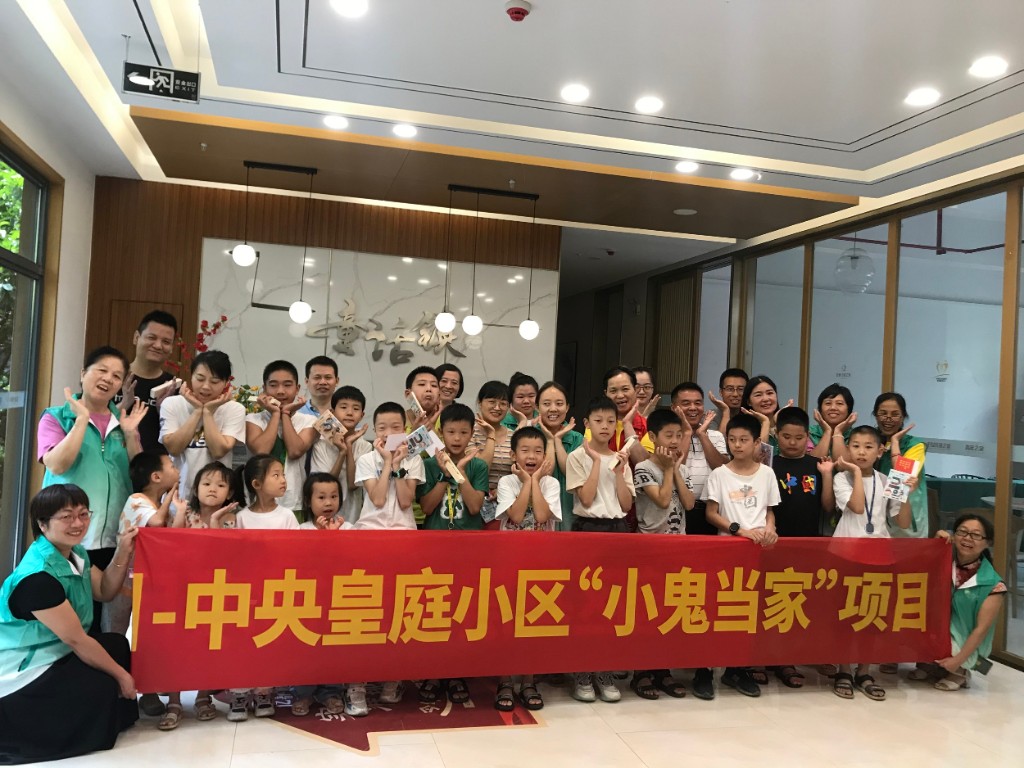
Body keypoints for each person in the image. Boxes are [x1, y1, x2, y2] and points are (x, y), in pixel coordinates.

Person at [0, 485, 139, 764]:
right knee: (103, 684)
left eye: (83, 514)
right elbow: (77, 640)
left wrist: (123, 551)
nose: (78, 523)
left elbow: (104, 591)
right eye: (66, 516)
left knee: (117, 645)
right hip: (25, 667)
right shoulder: (37, 578)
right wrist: (123, 677)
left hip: (56, 650)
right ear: (42, 524)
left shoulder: (75, 553)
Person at [39, 346, 148, 577]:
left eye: (116, 376)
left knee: (106, 598)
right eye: (102, 370)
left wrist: (130, 434)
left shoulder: (123, 422)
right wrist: (81, 421)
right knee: (70, 596)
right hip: (68, 534)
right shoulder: (56, 417)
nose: (108, 379)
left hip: (114, 537)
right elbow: (56, 465)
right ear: (83, 374)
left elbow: (141, 475)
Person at [831, 425, 916, 701]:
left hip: (879, 553)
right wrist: (856, 473)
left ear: (880, 452)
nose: (861, 452)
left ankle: (865, 672)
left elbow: (902, 522)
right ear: (848, 449)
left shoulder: (887, 480)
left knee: (872, 613)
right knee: (846, 614)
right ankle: (844, 669)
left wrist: (907, 494)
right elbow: (857, 507)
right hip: (846, 553)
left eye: (868, 447)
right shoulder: (842, 477)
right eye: (855, 446)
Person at [701, 413, 781, 699]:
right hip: (727, 550)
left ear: (757, 442)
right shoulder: (719, 474)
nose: (737, 445)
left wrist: (770, 528)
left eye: (743, 440)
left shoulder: (767, 473)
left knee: (747, 612)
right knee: (717, 611)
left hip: (757, 552)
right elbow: (711, 513)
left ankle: (737, 669)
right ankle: (704, 670)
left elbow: (770, 511)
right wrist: (739, 530)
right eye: (732, 440)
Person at [353, 402, 425, 709]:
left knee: (399, 611)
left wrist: (397, 464)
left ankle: (392, 678)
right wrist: (385, 463)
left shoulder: (414, 458)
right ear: (375, 429)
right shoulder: (366, 459)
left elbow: (406, 501)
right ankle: (356, 684)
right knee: (364, 609)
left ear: (405, 430)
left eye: (396, 427)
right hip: (369, 539)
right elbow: (379, 498)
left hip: (404, 539)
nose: (388, 432)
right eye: (382, 427)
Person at [565, 396, 634, 703]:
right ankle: (582, 672)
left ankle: (604, 671)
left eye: (610, 421)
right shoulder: (577, 456)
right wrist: (596, 462)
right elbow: (587, 498)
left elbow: (626, 504)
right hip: (588, 530)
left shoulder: (621, 459)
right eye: (598, 421)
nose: (605, 426)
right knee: (585, 606)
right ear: (587, 423)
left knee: (612, 605)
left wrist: (619, 471)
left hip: (618, 530)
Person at [106, 450, 180, 719]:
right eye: (171, 465)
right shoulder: (137, 500)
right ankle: (112, 692)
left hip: (149, 584)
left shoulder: (163, 504)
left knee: (146, 638)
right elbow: (156, 524)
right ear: (156, 476)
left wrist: (177, 508)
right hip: (122, 582)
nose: (176, 469)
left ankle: (148, 691)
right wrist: (172, 498)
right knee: (115, 635)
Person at [166, 462, 241, 724]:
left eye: (220, 485)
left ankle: (202, 697)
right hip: (183, 588)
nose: (212, 489)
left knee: (209, 644)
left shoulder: (232, 519)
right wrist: (179, 512)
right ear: (196, 488)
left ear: (230, 493)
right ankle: (174, 701)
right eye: (206, 484)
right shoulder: (187, 513)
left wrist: (216, 521)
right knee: (177, 645)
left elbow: (222, 554)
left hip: (215, 590)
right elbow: (173, 542)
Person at [228, 454, 299, 721]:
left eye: (283, 474)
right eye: (276, 475)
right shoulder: (242, 517)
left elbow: (296, 553)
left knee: (269, 642)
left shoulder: (287, 516)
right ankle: (239, 692)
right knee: (243, 643)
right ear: (256, 484)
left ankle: (264, 692)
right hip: (249, 592)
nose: (283, 480)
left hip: (277, 590)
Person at [493, 426, 559, 712]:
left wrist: (534, 481)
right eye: (525, 451)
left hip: (542, 564)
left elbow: (542, 515)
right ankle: (505, 681)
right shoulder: (506, 482)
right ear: (513, 455)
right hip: (509, 561)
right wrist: (527, 482)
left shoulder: (551, 484)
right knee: (507, 622)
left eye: (538, 451)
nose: (531, 457)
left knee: (534, 623)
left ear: (545, 457)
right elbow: (518, 516)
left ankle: (529, 681)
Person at [769, 406, 835, 689]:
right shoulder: (769, 466)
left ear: (808, 436)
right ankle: (778, 659)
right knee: (778, 603)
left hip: (809, 547)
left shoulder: (817, 465)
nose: (793, 442)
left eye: (799, 437)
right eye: (786, 437)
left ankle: (800, 654)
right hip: (774, 546)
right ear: (776, 435)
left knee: (805, 604)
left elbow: (828, 507)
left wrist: (827, 476)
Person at [631, 408, 693, 701]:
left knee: (670, 611)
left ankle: (663, 669)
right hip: (650, 548)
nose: (675, 441)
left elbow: (689, 504)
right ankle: (641, 671)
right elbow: (663, 500)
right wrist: (668, 470)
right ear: (653, 437)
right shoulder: (643, 468)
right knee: (647, 612)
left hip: (678, 548)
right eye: (669, 435)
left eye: (679, 435)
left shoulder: (682, 468)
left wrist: (676, 469)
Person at [911, 514, 1006, 691]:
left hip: (964, 639)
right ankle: (930, 664)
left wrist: (958, 660)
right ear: (954, 535)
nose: (967, 538)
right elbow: (918, 569)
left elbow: (981, 629)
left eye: (976, 535)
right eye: (962, 532)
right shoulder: (945, 562)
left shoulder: (993, 585)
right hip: (938, 629)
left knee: (953, 650)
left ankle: (961, 669)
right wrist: (936, 543)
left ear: (988, 543)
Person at [291, 473, 349, 716]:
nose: (328, 503)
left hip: (338, 599)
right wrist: (323, 539)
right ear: (308, 501)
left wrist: (334, 538)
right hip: (308, 601)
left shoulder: (349, 528)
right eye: (321, 497)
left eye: (334, 497)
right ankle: (303, 693)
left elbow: (353, 562)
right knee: (306, 647)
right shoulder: (300, 530)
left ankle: (331, 691)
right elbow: (298, 563)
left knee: (334, 648)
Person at [160, 350, 246, 499]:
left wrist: (207, 412)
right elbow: (174, 449)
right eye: (200, 379)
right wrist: (197, 411)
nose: (206, 386)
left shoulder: (234, 409)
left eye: (214, 382)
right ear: (191, 376)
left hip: (216, 498)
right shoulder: (172, 404)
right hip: (177, 495)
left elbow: (218, 451)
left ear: (226, 383)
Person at [245, 360, 319, 515]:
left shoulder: (309, 421)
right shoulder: (253, 419)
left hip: (293, 501)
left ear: (297, 388)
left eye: (287, 385)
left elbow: (295, 451)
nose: (280, 391)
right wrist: (275, 414)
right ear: (264, 389)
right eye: (273, 385)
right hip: (257, 502)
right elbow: (261, 452)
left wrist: (285, 414)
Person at [419, 403, 489, 531]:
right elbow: (427, 508)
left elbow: (474, 508)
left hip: (469, 536)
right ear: (441, 432)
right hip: (435, 535)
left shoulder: (479, 466)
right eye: (451, 432)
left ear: (472, 433)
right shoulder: (428, 464)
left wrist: (461, 471)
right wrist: (445, 476)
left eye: (464, 432)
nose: (457, 438)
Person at [670, 382, 728, 537]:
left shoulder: (716, 436)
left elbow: (722, 468)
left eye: (698, 403)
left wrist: (702, 435)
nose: (693, 408)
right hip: (678, 509)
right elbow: (676, 469)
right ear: (674, 408)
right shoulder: (669, 437)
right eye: (686, 403)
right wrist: (687, 433)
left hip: (711, 511)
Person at [116, 310, 179, 452]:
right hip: (112, 463)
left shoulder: (174, 387)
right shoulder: (113, 377)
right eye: (152, 337)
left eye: (166, 342)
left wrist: (164, 411)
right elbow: (92, 425)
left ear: (171, 348)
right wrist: (123, 404)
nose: (158, 345)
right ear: (136, 337)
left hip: (156, 465)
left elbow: (180, 442)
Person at [308, 386, 371, 524]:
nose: (350, 413)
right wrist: (342, 453)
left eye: (356, 409)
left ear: (362, 415)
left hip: (352, 518)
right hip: (323, 520)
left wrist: (348, 446)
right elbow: (324, 485)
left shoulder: (365, 446)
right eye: (343, 407)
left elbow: (353, 485)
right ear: (332, 412)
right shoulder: (321, 445)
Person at [873, 392, 929, 538]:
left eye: (895, 414)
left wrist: (895, 443)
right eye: (883, 413)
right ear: (875, 415)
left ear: (903, 417)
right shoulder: (871, 442)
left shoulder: (915, 445)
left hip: (907, 522)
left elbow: (901, 480)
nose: (888, 419)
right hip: (878, 521)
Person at [536, 381, 583, 532]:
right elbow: (545, 474)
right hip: (537, 517)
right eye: (546, 404)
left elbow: (571, 473)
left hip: (570, 515)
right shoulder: (530, 437)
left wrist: (557, 440)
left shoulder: (577, 439)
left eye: (559, 403)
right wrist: (550, 441)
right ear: (537, 407)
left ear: (567, 407)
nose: (553, 409)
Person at [469, 381, 515, 529]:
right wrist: (491, 435)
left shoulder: (514, 436)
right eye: (492, 402)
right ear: (480, 402)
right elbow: (480, 470)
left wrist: (505, 491)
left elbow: (520, 473)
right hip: (474, 503)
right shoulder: (469, 432)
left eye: (503, 403)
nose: (497, 407)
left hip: (507, 506)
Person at [808, 383, 856, 460]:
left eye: (839, 403)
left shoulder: (856, 436)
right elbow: (812, 464)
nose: (833, 408)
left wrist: (838, 431)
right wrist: (827, 431)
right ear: (820, 409)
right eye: (828, 403)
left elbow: (842, 465)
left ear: (849, 410)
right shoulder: (808, 433)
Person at [404, 366, 442, 431]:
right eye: (422, 384)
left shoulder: (447, 421)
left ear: (439, 395)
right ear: (408, 394)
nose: (429, 389)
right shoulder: (396, 421)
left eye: (434, 385)